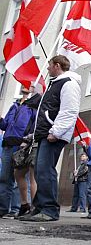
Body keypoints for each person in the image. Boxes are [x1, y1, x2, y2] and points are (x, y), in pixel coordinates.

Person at [19, 55, 81, 222]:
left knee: (45, 170)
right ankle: (39, 208)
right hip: (46, 133)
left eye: (50, 65)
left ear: (57, 66)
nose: (47, 69)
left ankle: (49, 210)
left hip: (54, 134)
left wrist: (56, 132)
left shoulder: (68, 83)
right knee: (40, 171)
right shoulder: (56, 84)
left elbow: (69, 110)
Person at [0, 86, 38, 218]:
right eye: (23, 83)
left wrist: (27, 141)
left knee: (20, 177)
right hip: (7, 144)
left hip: (21, 145)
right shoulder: (14, 105)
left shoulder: (33, 107)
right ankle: (3, 208)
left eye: (28, 84)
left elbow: (35, 125)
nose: (24, 85)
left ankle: (17, 208)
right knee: (4, 178)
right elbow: (5, 125)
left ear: (34, 89)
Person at [14, 84, 42, 218]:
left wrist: (30, 137)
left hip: (36, 142)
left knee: (32, 175)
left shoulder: (40, 104)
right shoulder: (27, 104)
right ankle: (24, 204)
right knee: (18, 173)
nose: (28, 87)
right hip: (27, 142)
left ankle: (34, 207)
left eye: (31, 86)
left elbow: (39, 124)